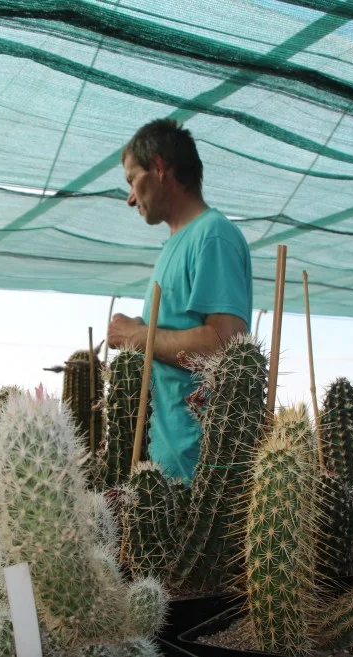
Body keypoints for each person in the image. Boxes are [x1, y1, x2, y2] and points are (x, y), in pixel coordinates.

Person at [107, 119, 253, 483]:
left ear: (158, 168)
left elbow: (226, 344)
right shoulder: (176, 242)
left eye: (131, 179)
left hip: (198, 473)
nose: (129, 198)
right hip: (165, 464)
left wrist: (136, 337)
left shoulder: (213, 235)